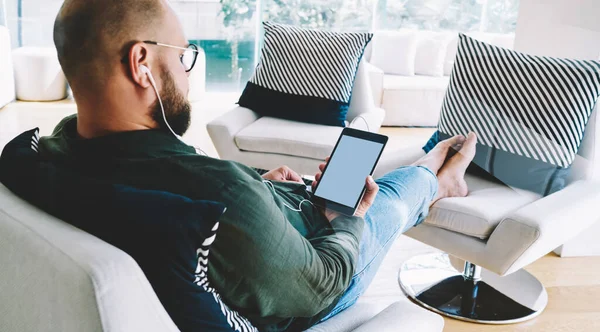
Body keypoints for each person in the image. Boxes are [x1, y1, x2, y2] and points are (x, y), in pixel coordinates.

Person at [41, 0, 478, 330]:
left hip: (261, 240)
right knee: (388, 199)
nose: (187, 73)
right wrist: (345, 218)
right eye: (181, 57)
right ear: (141, 64)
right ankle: (436, 173)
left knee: (353, 184)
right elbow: (320, 289)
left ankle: (430, 169)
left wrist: (258, 187)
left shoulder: (56, 149)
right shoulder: (223, 196)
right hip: (317, 269)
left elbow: (188, 187)